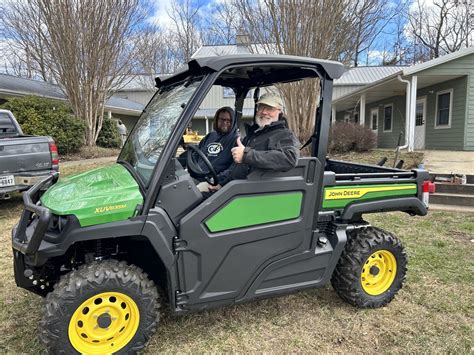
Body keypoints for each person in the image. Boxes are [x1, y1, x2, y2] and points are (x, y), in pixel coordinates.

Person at [207, 93, 300, 192]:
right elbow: (237, 168)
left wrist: (246, 155)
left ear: (279, 112)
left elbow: (289, 158)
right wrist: (220, 182)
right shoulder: (253, 135)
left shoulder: (284, 135)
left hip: (255, 192)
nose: (264, 112)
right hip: (235, 187)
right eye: (261, 107)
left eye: (269, 109)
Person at [191, 107, 238, 190]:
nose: (225, 123)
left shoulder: (236, 141)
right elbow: (196, 154)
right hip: (197, 175)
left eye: (228, 120)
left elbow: (234, 168)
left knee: (190, 193)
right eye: (221, 119)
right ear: (216, 120)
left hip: (213, 181)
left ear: (233, 122)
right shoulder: (210, 136)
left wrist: (217, 180)